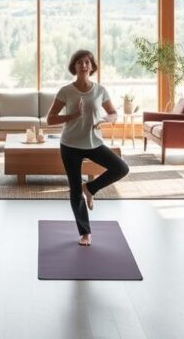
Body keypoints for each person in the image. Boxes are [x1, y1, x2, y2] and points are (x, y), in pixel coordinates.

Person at [46, 49, 129, 246]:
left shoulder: (100, 90)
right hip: (70, 145)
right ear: (74, 66)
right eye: (79, 62)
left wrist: (105, 120)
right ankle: (85, 233)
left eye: (87, 62)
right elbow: (50, 119)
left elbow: (113, 113)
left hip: (94, 142)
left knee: (122, 168)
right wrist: (72, 116)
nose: (84, 65)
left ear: (92, 66)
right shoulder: (66, 91)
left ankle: (90, 188)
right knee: (75, 190)